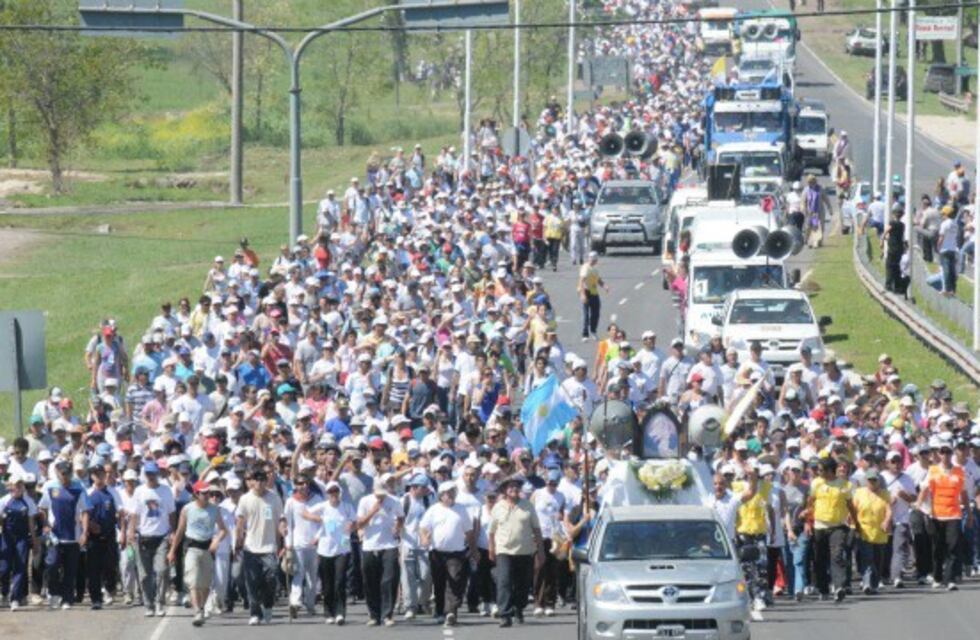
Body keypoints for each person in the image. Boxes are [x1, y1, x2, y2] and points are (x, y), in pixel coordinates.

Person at [167, 480, 228, 626]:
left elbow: (223, 529)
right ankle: (197, 612)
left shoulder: (214, 509)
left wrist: (216, 540)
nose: (207, 495)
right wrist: (172, 550)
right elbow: (180, 531)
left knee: (205, 585)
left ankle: (201, 607)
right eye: (203, 493)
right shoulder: (187, 509)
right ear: (196, 494)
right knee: (193, 582)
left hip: (207, 548)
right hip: (191, 548)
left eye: (208, 493)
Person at [918, 439, 973, 590]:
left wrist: (969, 513)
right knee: (938, 548)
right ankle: (937, 577)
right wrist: (919, 505)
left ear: (952, 453)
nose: (945, 455)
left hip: (954, 514)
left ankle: (950, 579)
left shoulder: (959, 471)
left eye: (948, 452)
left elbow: (964, 494)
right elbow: (924, 490)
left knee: (953, 546)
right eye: (943, 452)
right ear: (939, 454)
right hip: (936, 515)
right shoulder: (933, 470)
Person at [419, 481, 475, 627]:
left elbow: (469, 531)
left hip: (456, 553)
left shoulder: (461, 509)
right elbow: (423, 527)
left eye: (452, 492)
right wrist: (424, 538)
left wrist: (473, 550)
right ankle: (440, 612)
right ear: (440, 495)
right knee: (439, 583)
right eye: (446, 493)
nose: (449, 495)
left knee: (455, 581)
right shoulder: (433, 510)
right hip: (437, 553)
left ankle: (451, 612)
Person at [489, 475, 541, 627]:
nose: (514, 489)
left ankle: (518, 608)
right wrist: (491, 548)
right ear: (505, 490)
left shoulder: (528, 505)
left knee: (522, 584)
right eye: (510, 486)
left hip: (525, 551)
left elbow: (536, 529)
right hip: (504, 550)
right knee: (504, 581)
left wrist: (541, 551)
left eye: (517, 486)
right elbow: (491, 531)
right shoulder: (498, 507)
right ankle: (505, 614)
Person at [39, 459, 91, 611]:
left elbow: (85, 511)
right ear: (57, 473)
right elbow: (42, 508)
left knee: (70, 569)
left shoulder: (78, 488)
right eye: (62, 474)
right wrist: (45, 524)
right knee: (52, 564)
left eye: (67, 473)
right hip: (54, 536)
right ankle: (53, 592)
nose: (65, 477)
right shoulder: (50, 487)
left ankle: (67, 598)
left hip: (73, 536)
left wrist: (84, 532)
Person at [235, 465, 284, 626]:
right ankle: (255, 613)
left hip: (269, 547)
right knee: (252, 582)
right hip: (251, 547)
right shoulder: (245, 499)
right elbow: (240, 522)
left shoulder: (274, 498)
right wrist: (238, 541)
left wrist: (283, 529)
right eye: (256, 479)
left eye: (262, 479)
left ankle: (267, 605)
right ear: (252, 481)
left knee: (271, 578)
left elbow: (281, 518)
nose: (259, 483)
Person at [807, 457, 860, 602]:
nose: (818, 472)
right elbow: (810, 502)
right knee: (820, 559)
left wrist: (856, 524)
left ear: (830, 470)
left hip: (838, 526)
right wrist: (807, 521)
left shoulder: (845, 485)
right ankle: (823, 589)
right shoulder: (816, 483)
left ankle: (838, 587)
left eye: (820, 470)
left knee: (837, 556)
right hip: (819, 526)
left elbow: (850, 506)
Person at [304, 480, 355, 624]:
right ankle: (328, 612)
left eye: (335, 491)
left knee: (340, 581)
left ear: (339, 492)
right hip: (325, 549)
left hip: (342, 548)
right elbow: (304, 512)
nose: (333, 494)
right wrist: (318, 518)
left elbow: (355, 521)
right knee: (327, 583)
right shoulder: (323, 506)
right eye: (330, 492)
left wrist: (351, 525)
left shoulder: (347, 507)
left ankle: (340, 613)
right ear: (327, 494)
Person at [356, 472, 404, 626]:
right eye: (378, 494)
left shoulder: (394, 501)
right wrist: (373, 511)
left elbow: (401, 517)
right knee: (370, 581)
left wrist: (397, 527)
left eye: (383, 494)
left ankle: (387, 614)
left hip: (389, 544)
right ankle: (374, 615)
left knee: (389, 579)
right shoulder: (365, 501)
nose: (381, 497)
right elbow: (359, 524)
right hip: (370, 545)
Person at [129, 460, 175, 617]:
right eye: (148, 473)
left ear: (158, 474)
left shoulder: (166, 490)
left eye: (153, 473)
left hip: (161, 537)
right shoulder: (139, 491)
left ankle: (160, 603)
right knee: (144, 575)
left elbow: (172, 513)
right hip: (143, 537)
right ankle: (149, 605)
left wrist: (173, 531)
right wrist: (131, 532)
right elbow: (134, 514)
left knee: (161, 570)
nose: (151, 476)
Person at [283, 472, 322, 619]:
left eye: (305, 483)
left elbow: (323, 521)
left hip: (314, 544)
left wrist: (318, 538)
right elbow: (287, 524)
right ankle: (295, 602)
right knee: (298, 573)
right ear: (295, 485)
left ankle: (310, 605)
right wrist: (288, 544)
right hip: (297, 544)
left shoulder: (317, 499)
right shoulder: (291, 502)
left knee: (312, 577)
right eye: (300, 483)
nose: (303, 486)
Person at [0, 474, 40, 611]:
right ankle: (4, 593)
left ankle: (15, 598)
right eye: (15, 485)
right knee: (4, 568)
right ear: (10, 486)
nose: (17, 488)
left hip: (22, 538)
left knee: (21, 567)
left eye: (20, 485)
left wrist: (34, 541)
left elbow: (31, 523)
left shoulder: (28, 502)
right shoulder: (4, 501)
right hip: (7, 537)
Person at [852, 470, 892, 595]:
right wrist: (853, 523)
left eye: (874, 480)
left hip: (880, 531)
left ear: (879, 481)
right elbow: (853, 509)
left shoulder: (885, 494)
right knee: (867, 558)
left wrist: (886, 521)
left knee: (878, 559)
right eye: (870, 480)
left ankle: (874, 584)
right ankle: (867, 583)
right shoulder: (859, 493)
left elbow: (889, 510)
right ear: (866, 481)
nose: (872, 482)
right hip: (864, 530)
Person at [577, 251, 608, 342]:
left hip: (594, 292)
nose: (593, 261)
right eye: (591, 259)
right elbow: (581, 281)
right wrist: (582, 294)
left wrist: (604, 286)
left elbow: (598, 280)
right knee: (586, 314)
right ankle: (585, 334)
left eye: (594, 259)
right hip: (586, 292)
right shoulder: (585, 268)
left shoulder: (595, 269)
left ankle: (593, 331)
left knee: (596, 313)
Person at [882, 207, 906, 294]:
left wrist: (882, 240)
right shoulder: (902, 225)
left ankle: (888, 285)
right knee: (897, 267)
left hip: (893, 247)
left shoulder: (892, 223)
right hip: (899, 248)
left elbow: (887, 231)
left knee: (889, 266)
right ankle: (897, 286)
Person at [937, 205, 959, 296]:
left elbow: (941, 237)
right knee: (952, 270)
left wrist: (938, 246)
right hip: (952, 248)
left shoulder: (944, 224)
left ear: (946, 214)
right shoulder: (955, 224)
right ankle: (953, 289)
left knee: (945, 270)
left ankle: (946, 289)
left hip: (945, 249)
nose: (942, 216)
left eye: (943, 214)